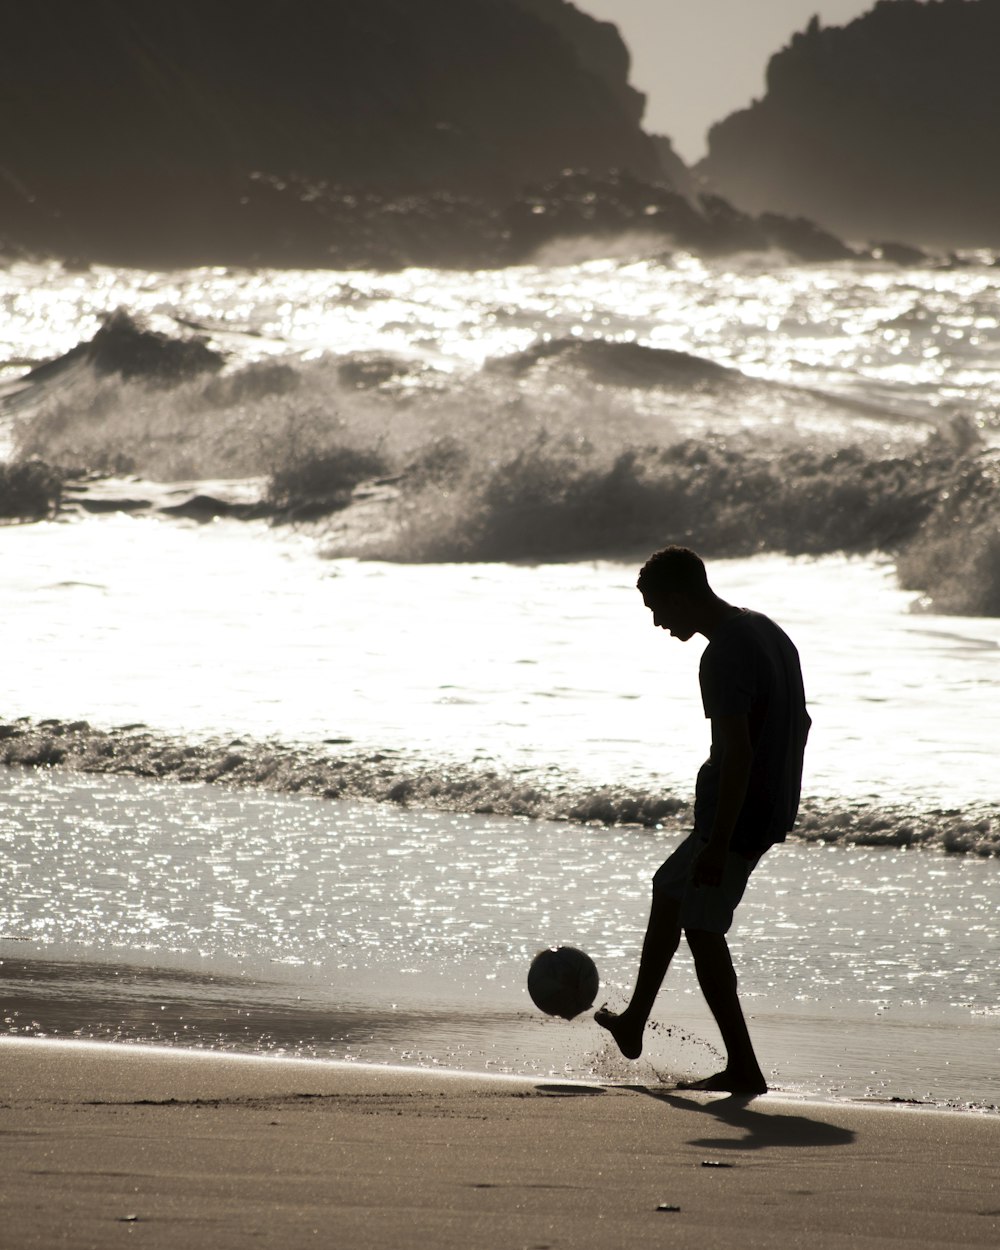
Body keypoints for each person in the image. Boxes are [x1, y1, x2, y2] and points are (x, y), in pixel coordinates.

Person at [595, 545, 810, 1095]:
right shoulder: (764, 629)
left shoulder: (721, 656)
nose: (658, 622)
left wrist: (718, 841)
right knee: (669, 888)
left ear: (682, 595)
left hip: (739, 814)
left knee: (703, 926)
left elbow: (737, 753)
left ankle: (744, 1067)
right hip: (765, 801)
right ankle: (634, 1021)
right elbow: (801, 722)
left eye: (657, 608)